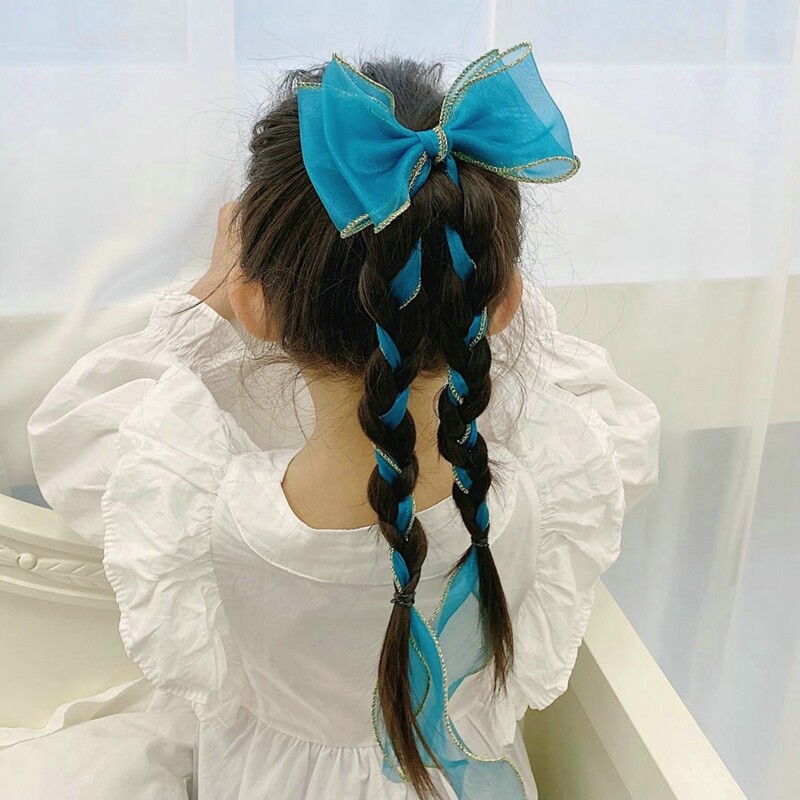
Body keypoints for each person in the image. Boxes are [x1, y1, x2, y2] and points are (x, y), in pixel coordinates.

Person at [16, 44, 660, 799]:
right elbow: (595, 405)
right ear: (503, 303)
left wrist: (214, 291)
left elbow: (75, 428)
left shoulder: (197, 512)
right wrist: (460, 270)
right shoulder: (557, 482)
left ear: (255, 304)